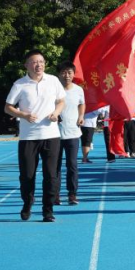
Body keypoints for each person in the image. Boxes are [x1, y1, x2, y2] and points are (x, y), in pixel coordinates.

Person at [4, 50, 66, 222]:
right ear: (26, 65)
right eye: (34, 62)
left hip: (51, 135)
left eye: (41, 61)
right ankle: (28, 202)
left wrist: (56, 112)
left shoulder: (53, 80)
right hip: (28, 137)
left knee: (51, 175)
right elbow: (8, 107)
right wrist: (23, 115)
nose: (39, 65)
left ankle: (48, 210)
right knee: (27, 176)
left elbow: (61, 101)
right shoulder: (19, 84)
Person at [56, 61, 85, 206]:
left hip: (73, 133)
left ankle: (72, 194)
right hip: (54, 134)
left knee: (72, 165)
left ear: (73, 74)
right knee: (55, 166)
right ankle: (55, 194)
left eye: (69, 72)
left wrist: (81, 116)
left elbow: (81, 103)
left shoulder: (79, 90)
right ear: (59, 74)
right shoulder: (53, 89)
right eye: (63, 72)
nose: (66, 75)